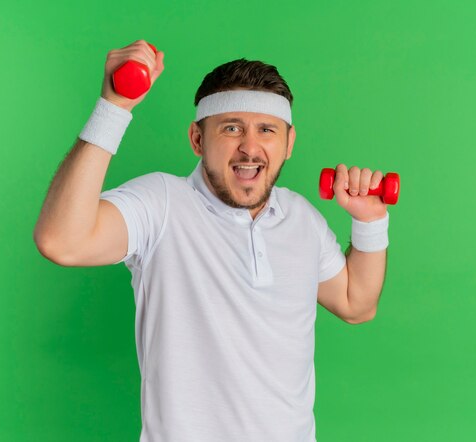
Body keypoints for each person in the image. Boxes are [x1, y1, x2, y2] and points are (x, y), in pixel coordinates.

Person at [34, 39, 390, 442]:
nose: (250, 147)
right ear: (198, 139)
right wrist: (113, 107)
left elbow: (356, 303)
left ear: (289, 144)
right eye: (231, 127)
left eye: (267, 130)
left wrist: (371, 222)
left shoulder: (301, 218)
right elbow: (62, 241)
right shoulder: (162, 203)